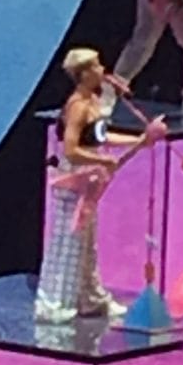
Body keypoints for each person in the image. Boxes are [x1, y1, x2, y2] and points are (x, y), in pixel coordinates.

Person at [35, 50, 163, 325]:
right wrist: (102, 160)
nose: (102, 68)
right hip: (74, 177)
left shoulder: (93, 101)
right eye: (95, 66)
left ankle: (90, 298)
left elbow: (100, 137)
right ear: (83, 74)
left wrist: (139, 140)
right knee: (68, 241)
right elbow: (71, 150)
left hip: (90, 176)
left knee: (87, 242)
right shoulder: (77, 106)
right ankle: (55, 302)